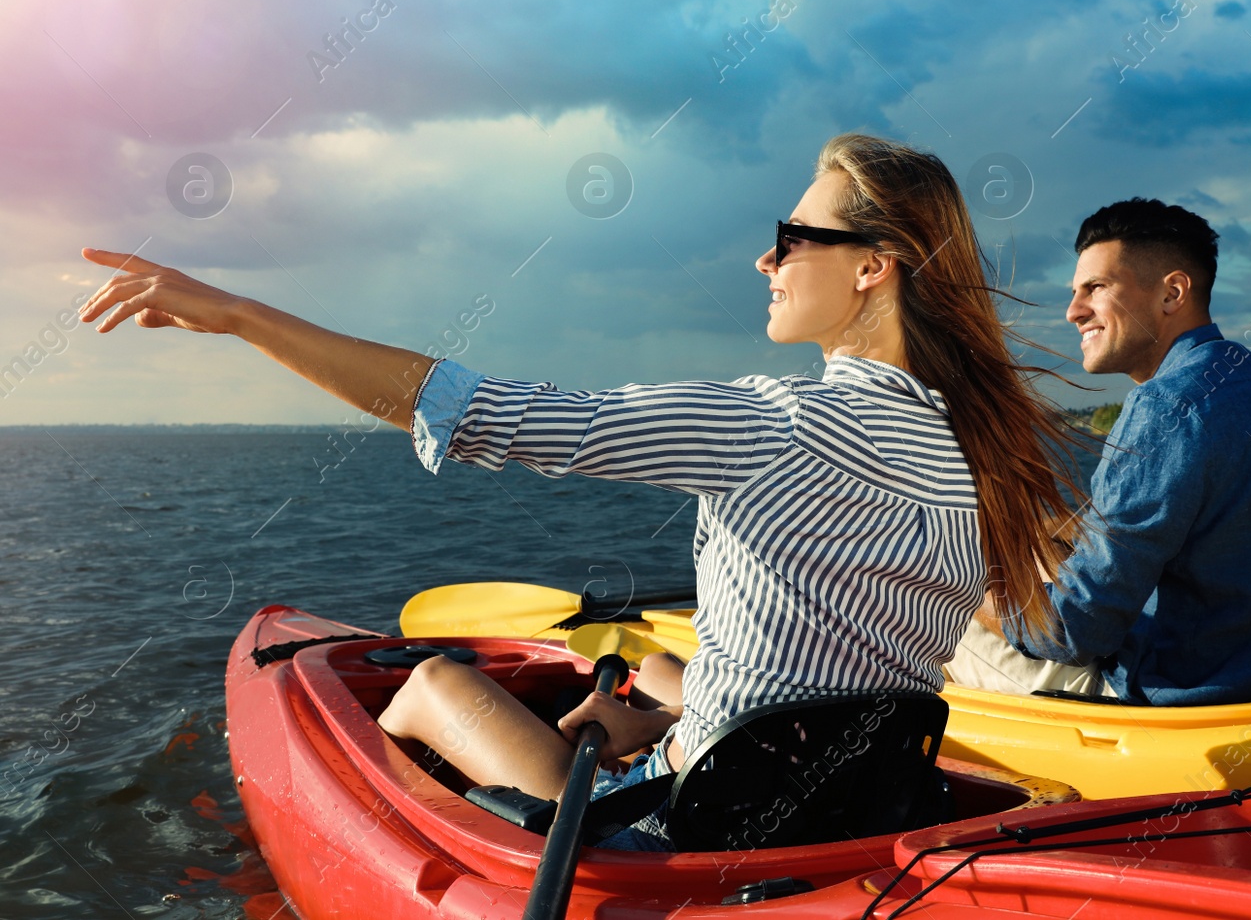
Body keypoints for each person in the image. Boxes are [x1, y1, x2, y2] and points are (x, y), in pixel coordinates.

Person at [77, 134, 1092, 850]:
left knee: (432, 685)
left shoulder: (776, 421)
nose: (765, 257)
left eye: (793, 236)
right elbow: (836, 658)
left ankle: (359, 847)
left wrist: (244, 314)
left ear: (872, 267)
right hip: (838, 807)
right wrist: (677, 700)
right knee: (650, 669)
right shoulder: (967, 450)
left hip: (693, 826)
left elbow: (485, 413)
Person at [945, 198, 1251, 706]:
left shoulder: (1164, 406)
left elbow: (1074, 633)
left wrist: (960, 583)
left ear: (1172, 293)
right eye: (1076, 292)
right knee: (1041, 553)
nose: (1074, 311)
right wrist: (1053, 535)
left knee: (938, 623)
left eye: (1095, 288)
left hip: (1186, 695)